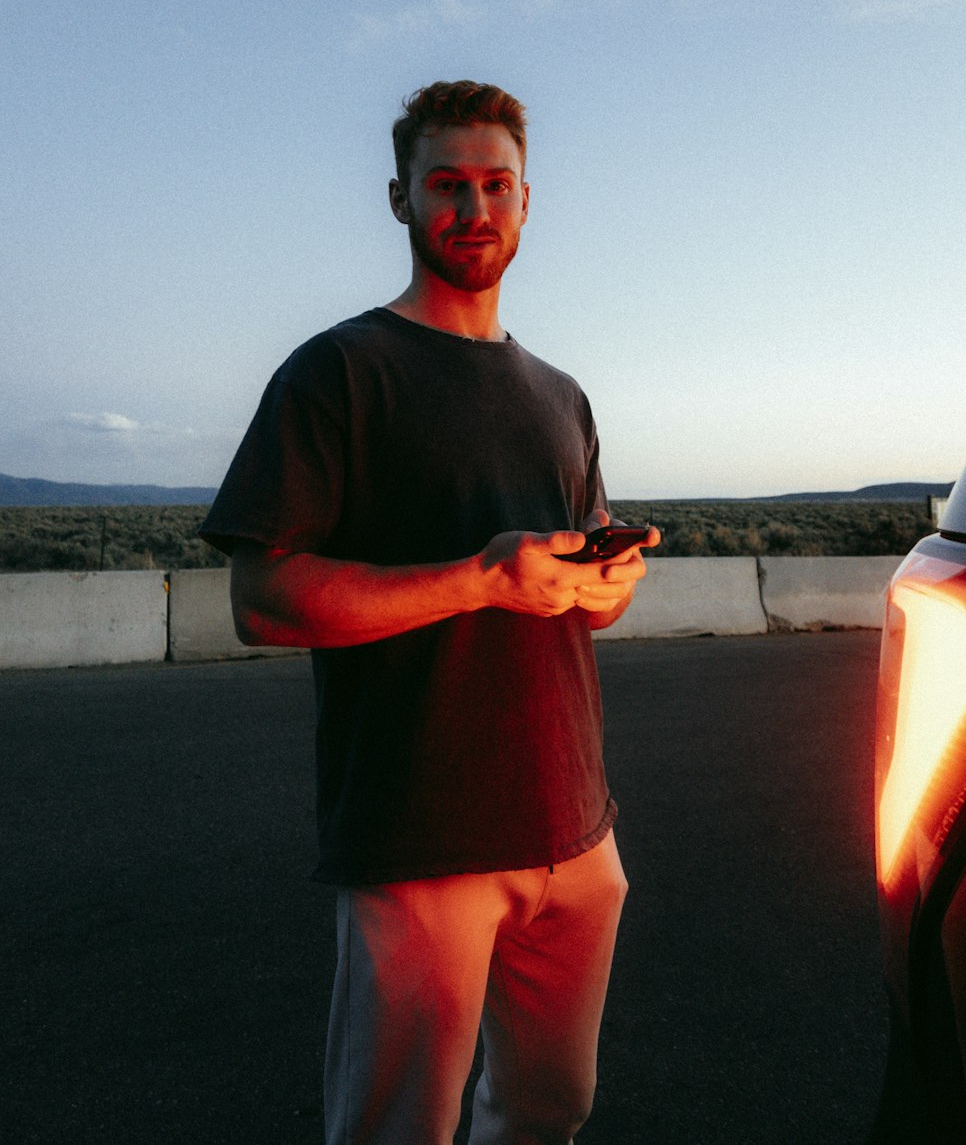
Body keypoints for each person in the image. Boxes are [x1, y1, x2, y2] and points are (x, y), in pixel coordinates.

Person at [200, 80, 659, 1145]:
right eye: (446, 184)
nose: (473, 208)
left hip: (576, 826)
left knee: (550, 1110)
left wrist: (600, 588)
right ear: (399, 198)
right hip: (419, 832)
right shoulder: (338, 373)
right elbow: (261, 602)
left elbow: (573, 606)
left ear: (527, 201)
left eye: (496, 185)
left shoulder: (561, 393)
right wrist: (480, 578)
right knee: (398, 1127)